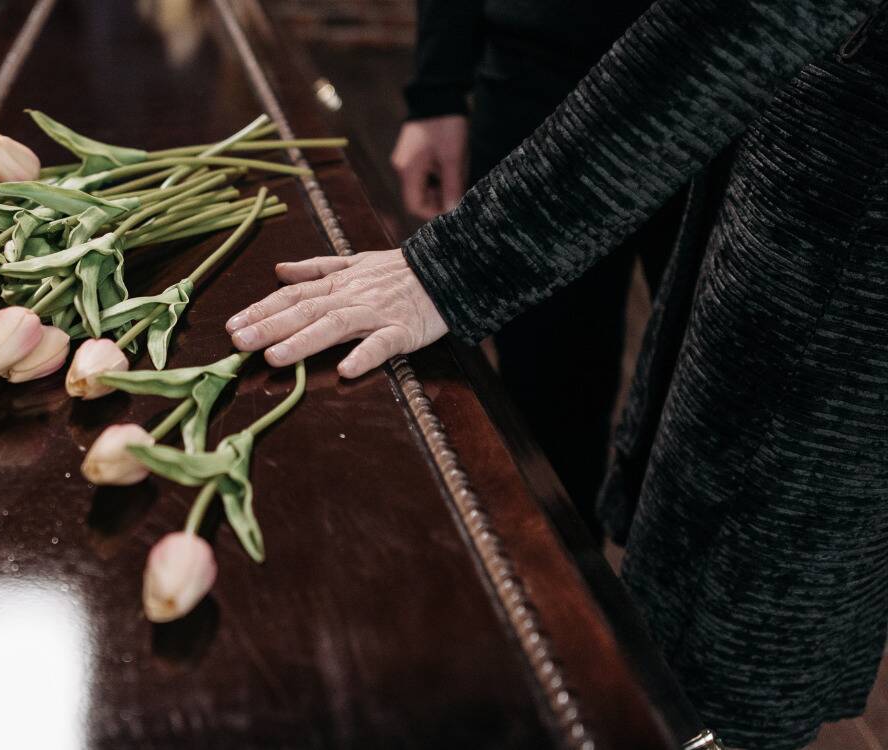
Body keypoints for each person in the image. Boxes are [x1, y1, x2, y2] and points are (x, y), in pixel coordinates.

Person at [226, 0, 888, 747]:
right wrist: (439, 89)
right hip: (674, 99)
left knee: (735, 628)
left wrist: (455, 266)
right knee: (569, 436)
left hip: (829, 211)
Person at [392, 0, 683, 533]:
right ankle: (563, 594)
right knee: (547, 405)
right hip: (540, 78)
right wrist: (437, 87)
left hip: (744, 99)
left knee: (707, 417)